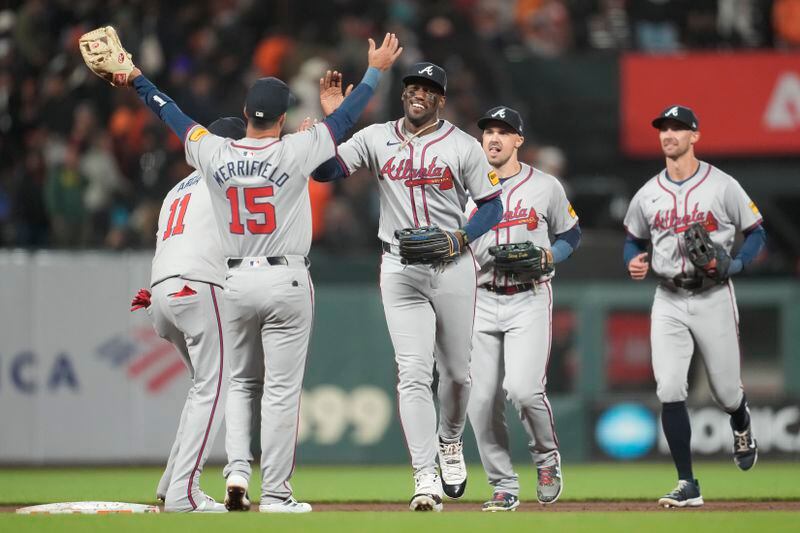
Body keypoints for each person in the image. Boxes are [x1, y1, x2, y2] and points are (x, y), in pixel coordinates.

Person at [103, 31, 402, 513]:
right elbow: (346, 120)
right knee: (281, 392)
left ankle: (236, 471)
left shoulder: (212, 153)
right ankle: (278, 495)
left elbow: (171, 114)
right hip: (285, 278)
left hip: (233, 281)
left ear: (245, 114)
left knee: (237, 383)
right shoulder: (295, 149)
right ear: (282, 117)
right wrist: (375, 72)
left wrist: (137, 78)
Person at [312, 62, 504, 511]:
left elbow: (492, 207)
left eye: (429, 88)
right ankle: (424, 476)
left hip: (453, 264)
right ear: (404, 94)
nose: (419, 92)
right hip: (399, 267)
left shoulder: (462, 146)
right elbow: (324, 173)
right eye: (413, 85)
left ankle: (451, 441)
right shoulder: (375, 137)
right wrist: (331, 122)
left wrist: (460, 237)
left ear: (441, 99)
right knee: (412, 374)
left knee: (457, 374)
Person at [623, 105, 765, 508]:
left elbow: (756, 232)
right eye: (664, 129)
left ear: (694, 136)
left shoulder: (722, 185)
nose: (669, 134)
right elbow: (633, 240)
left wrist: (736, 263)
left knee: (725, 392)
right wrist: (631, 260)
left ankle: (741, 419)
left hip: (713, 295)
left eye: (678, 128)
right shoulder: (648, 192)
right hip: (667, 296)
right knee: (669, 386)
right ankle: (688, 483)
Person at [466, 106, 580, 511]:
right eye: (488, 132)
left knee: (523, 390)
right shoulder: (464, 188)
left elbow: (571, 233)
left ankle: (546, 459)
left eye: (503, 131)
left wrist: (550, 257)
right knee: (480, 401)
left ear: (518, 140)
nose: (493, 138)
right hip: (480, 299)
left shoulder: (544, 186)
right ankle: (502, 484)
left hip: (528, 296)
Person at [130, 117, 246, 513]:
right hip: (197, 285)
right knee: (215, 388)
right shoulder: (225, 176)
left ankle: (170, 483)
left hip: (161, 292)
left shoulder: (175, 189)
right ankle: (185, 492)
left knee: (204, 387)